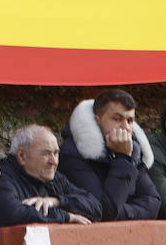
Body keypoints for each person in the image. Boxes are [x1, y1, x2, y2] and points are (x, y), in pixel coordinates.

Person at [0, 125, 100, 245]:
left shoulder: (54, 178)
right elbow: (14, 213)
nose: (54, 161)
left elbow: (95, 207)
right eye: (46, 154)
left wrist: (57, 202)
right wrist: (66, 216)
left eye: (56, 153)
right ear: (21, 156)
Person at [57, 89, 159, 220]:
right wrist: (123, 159)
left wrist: (120, 210)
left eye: (130, 120)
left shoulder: (133, 148)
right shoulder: (73, 153)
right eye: (117, 119)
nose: (126, 127)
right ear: (97, 120)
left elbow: (153, 204)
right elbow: (103, 211)